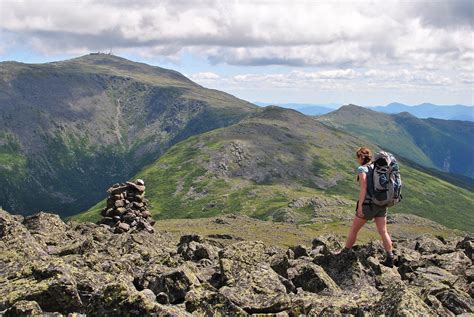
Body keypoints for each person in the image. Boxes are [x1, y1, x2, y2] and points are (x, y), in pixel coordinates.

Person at [342, 147, 394, 267]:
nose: (357, 160)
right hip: (381, 204)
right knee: (383, 231)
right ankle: (390, 257)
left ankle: (344, 255)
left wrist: (360, 206)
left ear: (361, 157)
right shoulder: (377, 167)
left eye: (357, 157)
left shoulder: (362, 169)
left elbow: (364, 188)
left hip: (368, 205)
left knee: (354, 230)